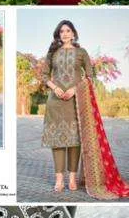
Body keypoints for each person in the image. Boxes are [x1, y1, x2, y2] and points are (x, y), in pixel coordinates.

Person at [39, 20, 129, 198]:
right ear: (58, 34)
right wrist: (54, 87)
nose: (65, 34)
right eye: (61, 31)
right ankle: (59, 179)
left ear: (73, 34)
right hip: (55, 102)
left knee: (74, 140)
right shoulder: (52, 53)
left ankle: (72, 178)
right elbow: (43, 75)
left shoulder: (82, 52)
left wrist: (75, 89)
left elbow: (90, 76)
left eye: (68, 31)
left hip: (76, 101)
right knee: (57, 140)